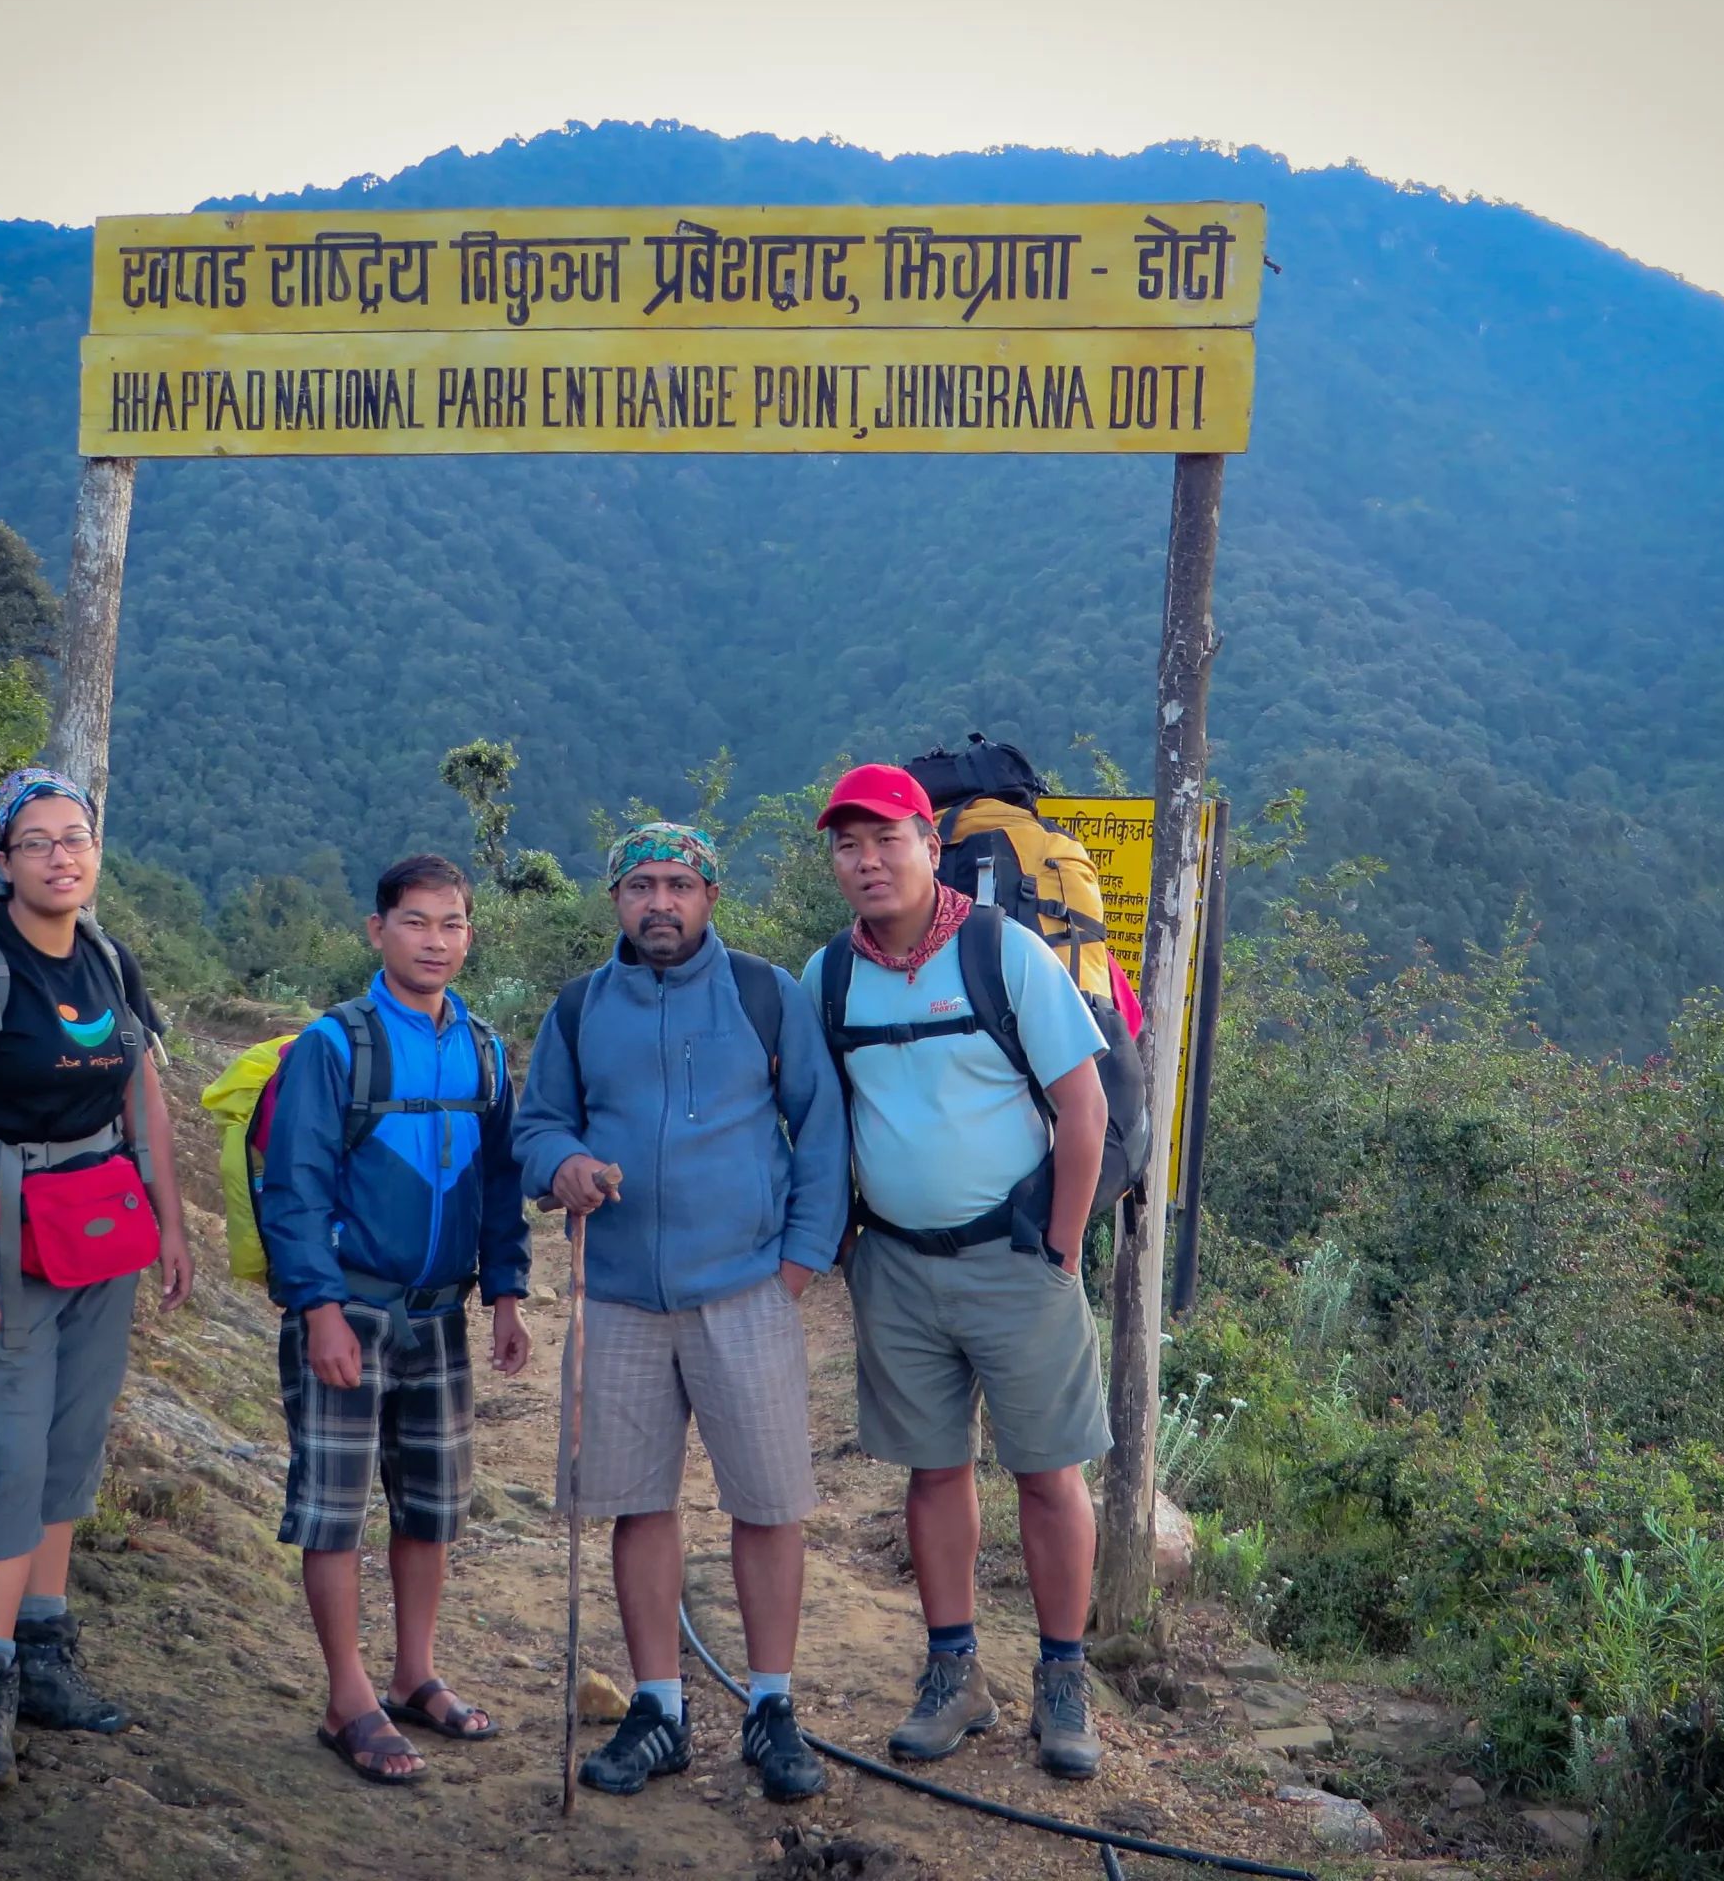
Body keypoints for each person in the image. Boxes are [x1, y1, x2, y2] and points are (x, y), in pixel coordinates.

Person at [515, 822, 848, 1803]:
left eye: (678, 886)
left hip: (746, 1291)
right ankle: (657, 1708)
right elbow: (537, 1124)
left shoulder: (763, 996)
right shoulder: (578, 1010)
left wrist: (793, 1270)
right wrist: (561, 1165)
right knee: (635, 1501)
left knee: (769, 1502)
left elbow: (820, 1136)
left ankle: (772, 1705)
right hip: (614, 1296)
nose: (659, 903)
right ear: (614, 899)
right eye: (640, 887)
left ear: (710, 896)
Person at [800, 765, 1114, 1781]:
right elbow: (809, 1120)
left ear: (930, 846)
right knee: (932, 1472)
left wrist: (1063, 1242)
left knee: (1046, 1472)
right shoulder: (827, 978)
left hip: (1016, 1259)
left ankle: (1062, 1682)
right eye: (848, 846)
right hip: (894, 1265)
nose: (866, 860)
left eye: (885, 839)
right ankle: (954, 1675)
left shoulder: (1001, 952)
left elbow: (1083, 1107)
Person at [0, 766, 194, 1796]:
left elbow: (140, 1089)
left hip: (97, 1236)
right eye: (39, 841)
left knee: (71, 1446)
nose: (62, 856)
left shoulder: (110, 959)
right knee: (8, 1453)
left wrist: (172, 1218)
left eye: (77, 837)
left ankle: (44, 1650)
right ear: (3, 857)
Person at [261, 854, 533, 1786]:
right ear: (377, 932)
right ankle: (348, 1698)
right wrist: (320, 1310)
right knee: (334, 1512)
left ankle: (414, 1674)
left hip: (441, 1315)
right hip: (349, 1309)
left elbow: (501, 1186)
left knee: (431, 1506)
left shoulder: (484, 1050)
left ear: (469, 933)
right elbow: (292, 1187)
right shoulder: (335, 1045)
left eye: (452, 924)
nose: (435, 942)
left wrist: (505, 1294)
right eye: (415, 923)